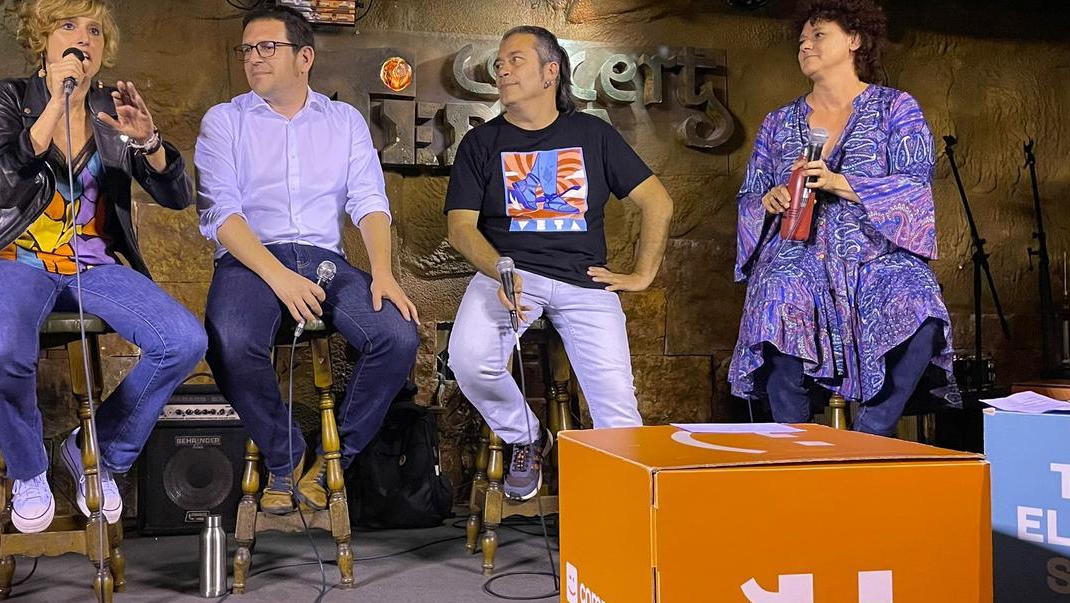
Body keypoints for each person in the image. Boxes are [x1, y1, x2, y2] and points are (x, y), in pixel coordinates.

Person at [0, 0, 206, 533]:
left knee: (183, 340)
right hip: (10, 258)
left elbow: (180, 196)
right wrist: (53, 105)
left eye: (94, 30)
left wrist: (150, 141)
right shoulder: (9, 96)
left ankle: (96, 450)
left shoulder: (109, 112)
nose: (83, 38)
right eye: (68, 26)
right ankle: (28, 470)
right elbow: (0, 184)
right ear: (42, 39)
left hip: (91, 266)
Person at [195, 5, 420, 515]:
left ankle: (332, 461)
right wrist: (279, 278)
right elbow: (220, 213)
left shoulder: (344, 122)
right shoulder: (225, 120)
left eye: (267, 47)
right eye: (247, 49)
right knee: (228, 341)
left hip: (326, 260)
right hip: (250, 260)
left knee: (397, 335)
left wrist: (382, 272)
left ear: (304, 58)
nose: (254, 58)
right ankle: (285, 454)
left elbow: (369, 201)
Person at [444, 26, 674, 501]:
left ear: (551, 72)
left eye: (516, 59)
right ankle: (526, 436)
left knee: (617, 408)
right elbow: (461, 228)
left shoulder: (592, 134)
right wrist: (500, 270)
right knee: (469, 361)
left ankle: (625, 519)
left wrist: (642, 274)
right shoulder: (481, 143)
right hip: (508, 275)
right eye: (499, 61)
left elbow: (658, 202)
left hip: (584, 282)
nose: (502, 69)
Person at [728, 0, 957, 436]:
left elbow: (914, 185)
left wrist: (837, 182)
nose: (806, 46)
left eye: (819, 35)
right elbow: (749, 196)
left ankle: (872, 433)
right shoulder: (778, 122)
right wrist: (769, 200)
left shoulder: (896, 108)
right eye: (802, 40)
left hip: (875, 253)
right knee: (776, 296)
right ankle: (795, 444)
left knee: (921, 303)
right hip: (798, 252)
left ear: (854, 40)